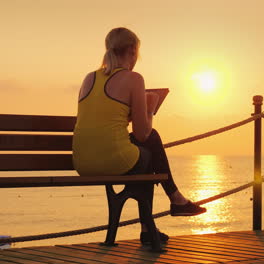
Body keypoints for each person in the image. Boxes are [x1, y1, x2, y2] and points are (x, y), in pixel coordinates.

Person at [72, 27, 206, 244]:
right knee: (150, 144)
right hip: (113, 160)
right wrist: (149, 108)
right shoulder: (134, 79)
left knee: (143, 156)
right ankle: (172, 202)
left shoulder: (89, 78)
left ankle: (153, 224)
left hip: (82, 163)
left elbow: (99, 120)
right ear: (133, 50)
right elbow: (143, 135)